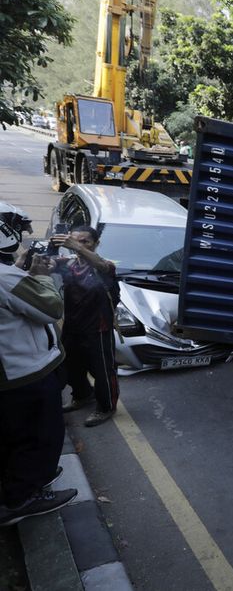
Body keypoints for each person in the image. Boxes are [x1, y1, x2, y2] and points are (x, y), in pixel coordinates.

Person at [0, 203, 77, 526]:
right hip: (24, 373)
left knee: (16, 436)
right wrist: (42, 277)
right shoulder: (5, 277)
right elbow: (50, 309)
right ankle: (22, 498)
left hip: (13, 373)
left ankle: (22, 482)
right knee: (39, 435)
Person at [52, 226, 120, 427]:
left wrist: (75, 246)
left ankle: (106, 407)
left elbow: (103, 265)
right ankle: (82, 395)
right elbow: (44, 264)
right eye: (75, 241)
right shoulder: (68, 264)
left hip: (98, 328)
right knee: (71, 366)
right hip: (73, 325)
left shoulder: (104, 265)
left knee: (103, 371)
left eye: (85, 241)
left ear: (96, 243)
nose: (79, 245)